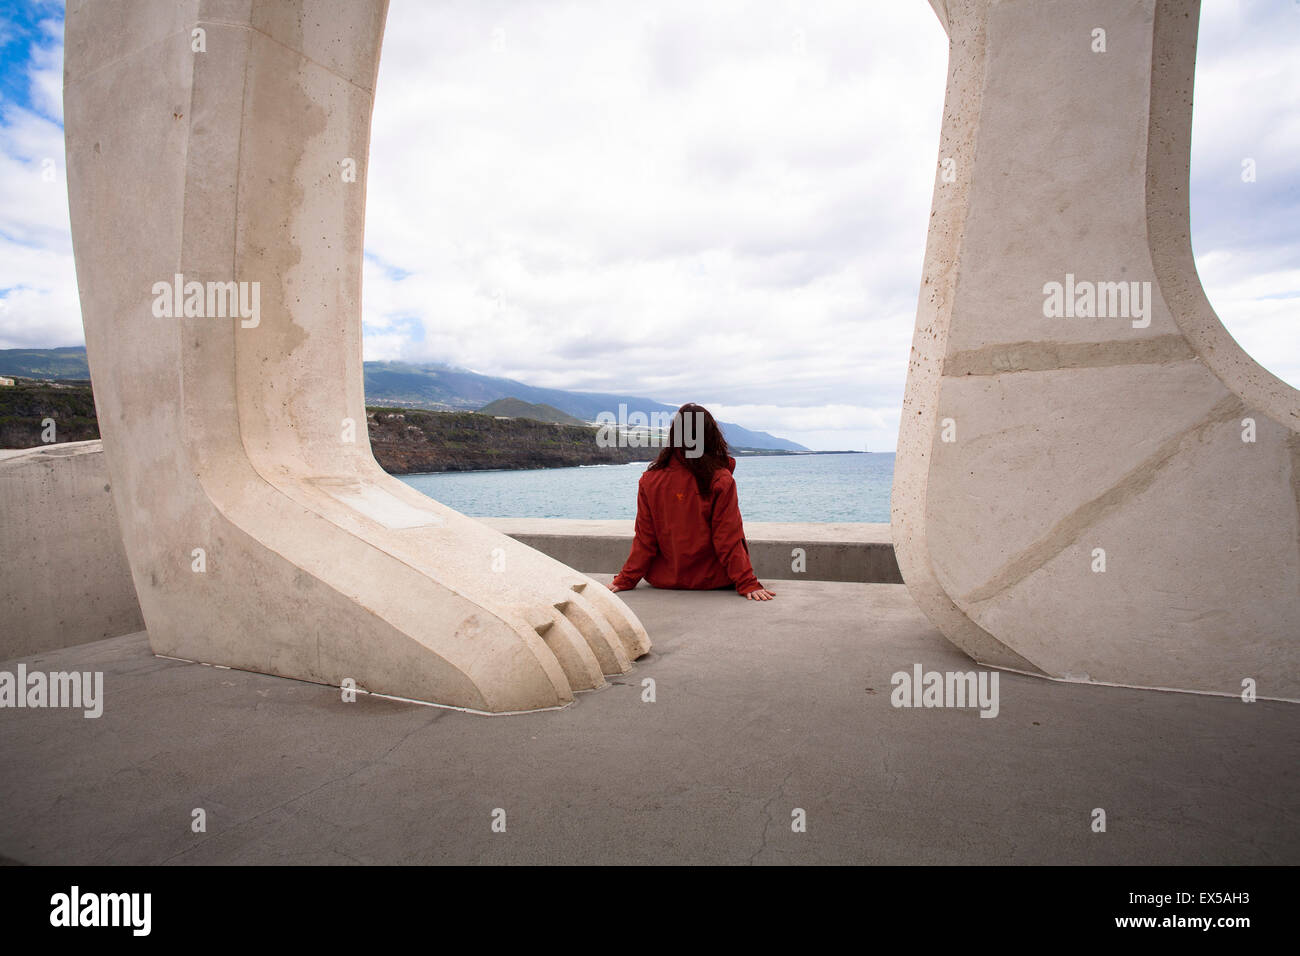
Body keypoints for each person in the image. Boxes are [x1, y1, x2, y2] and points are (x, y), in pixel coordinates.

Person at [609, 403, 776, 601]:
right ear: (711, 436)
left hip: (664, 580)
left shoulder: (649, 480)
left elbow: (645, 539)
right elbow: (727, 538)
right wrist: (747, 582)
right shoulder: (720, 479)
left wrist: (625, 580)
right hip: (712, 581)